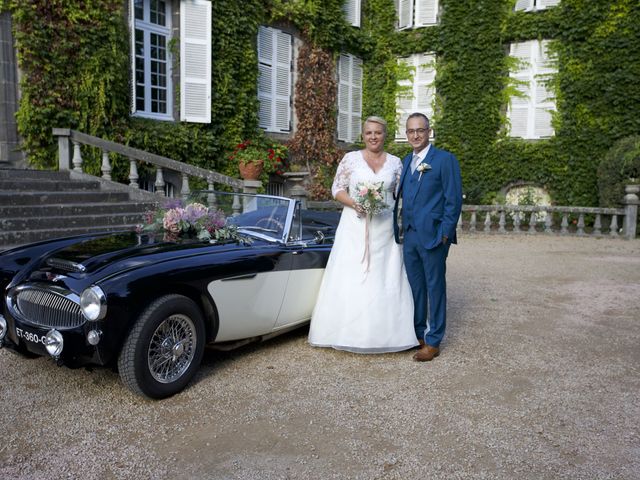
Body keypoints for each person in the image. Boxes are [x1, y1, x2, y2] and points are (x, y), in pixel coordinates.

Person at [308, 116, 418, 353]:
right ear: (363, 135)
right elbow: (336, 189)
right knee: (353, 272)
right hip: (354, 226)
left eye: (378, 132)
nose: (373, 137)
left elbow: (400, 194)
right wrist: (355, 203)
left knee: (385, 273)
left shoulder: (396, 163)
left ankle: (389, 334)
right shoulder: (350, 159)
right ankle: (348, 332)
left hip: (385, 228)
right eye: (369, 133)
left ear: (384, 135)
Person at [393, 112, 463, 361]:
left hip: (434, 236)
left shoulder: (444, 160)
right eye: (411, 131)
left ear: (429, 131)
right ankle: (419, 334)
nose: (415, 135)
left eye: (420, 130)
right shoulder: (405, 161)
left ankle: (434, 341)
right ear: (406, 133)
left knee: (435, 287)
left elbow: (453, 201)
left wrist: (444, 235)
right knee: (416, 287)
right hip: (410, 235)